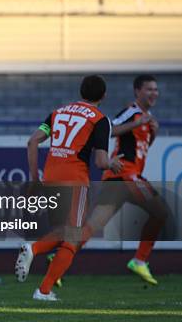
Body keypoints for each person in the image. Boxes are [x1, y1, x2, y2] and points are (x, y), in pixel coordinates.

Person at [15, 75, 122, 301]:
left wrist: (35, 179)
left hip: (52, 176)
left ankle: (40, 273)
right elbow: (101, 162)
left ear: (81, 92)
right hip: (74, 178)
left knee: (66, 232)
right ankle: (42, 284)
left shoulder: (58, 112)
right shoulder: (100, 119)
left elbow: (32, 141)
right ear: (103, 96)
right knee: (73, 237)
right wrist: (113, 163)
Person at [101, 75, 169, 285]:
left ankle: (58, 255)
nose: (153, 93)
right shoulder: (133, 112)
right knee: (161, 212)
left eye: (156, 90)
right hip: (125, 174)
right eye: (149, 89)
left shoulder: (148, 118)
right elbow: (108, 130)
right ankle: (139, 260)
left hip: (120, 177)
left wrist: (153, 133)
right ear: (137, 91)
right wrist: (137, 123)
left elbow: (142, 147)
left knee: (95, 223)